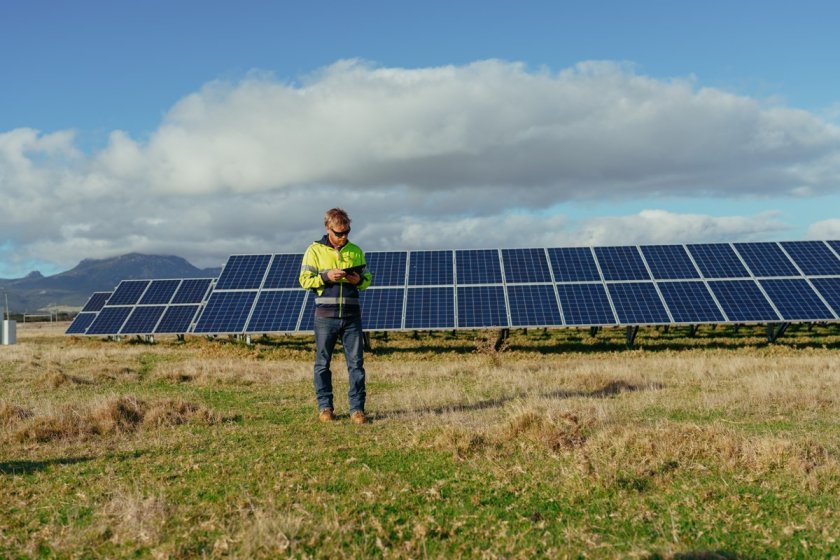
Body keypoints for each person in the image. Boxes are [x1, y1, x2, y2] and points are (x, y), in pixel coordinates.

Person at [299, 208, 373, 424]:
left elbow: (367, 279)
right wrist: (326, 276)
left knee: (356, 365)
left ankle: (357, 409)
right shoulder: (314, 251)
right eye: (339, 233)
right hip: (325, 317)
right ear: (328, 229)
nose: (343, 237)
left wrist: (359, 280)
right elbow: (304, 280)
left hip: (352, 316)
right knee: (322, 364)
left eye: (347, 232)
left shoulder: (356, 251)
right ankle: (325, 407)